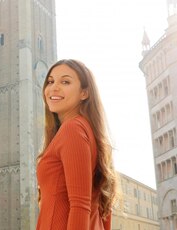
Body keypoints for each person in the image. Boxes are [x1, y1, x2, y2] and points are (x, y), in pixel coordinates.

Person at [36, 59, 117, 230]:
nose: (54, 87)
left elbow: (80, 205)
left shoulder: (73, 129)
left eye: (65, 82)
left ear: (84, 93)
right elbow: (105, 209)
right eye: (50, 81)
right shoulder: (89, 133)